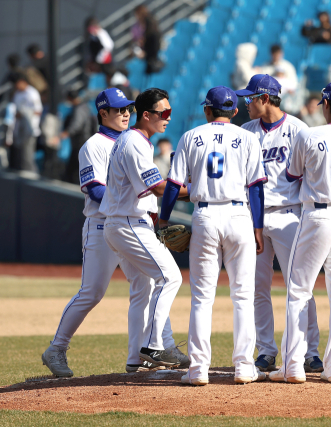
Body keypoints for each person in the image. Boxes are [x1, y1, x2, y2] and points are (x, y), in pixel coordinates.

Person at [41, 88, 187, 377]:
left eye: (127, 109)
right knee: (92, 292)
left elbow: (145, 192)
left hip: (131, 222)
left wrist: (156, 220)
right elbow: (94, 189)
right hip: (102, 225)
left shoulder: (131, 141)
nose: (123, 113)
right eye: (118, 109)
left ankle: (140, 356)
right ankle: (56, 348)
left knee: (145, 288)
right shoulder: (93, 146)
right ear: (102, 113)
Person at [159, 86, 267, 386]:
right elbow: (256, 187)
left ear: (207, 110)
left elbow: (172, 184)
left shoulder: (190, 136)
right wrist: (258, 227)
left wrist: (163, 219)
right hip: (239, 216)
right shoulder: (248, 138)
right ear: (235, 111)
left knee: (201, 299)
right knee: (243, 296)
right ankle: (245, 366)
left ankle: (197, 370)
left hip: (205, 215)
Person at [268, 81, 331, 384]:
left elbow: (292, 174)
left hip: (318, 214)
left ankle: (293, 366)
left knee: (299, 291)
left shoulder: (309, 134)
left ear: (325, 105)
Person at [234, 74, 323, 374]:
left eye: (250, 98)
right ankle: (267, 350)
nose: (246, 103)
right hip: (252, 217)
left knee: (299, 286)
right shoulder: (245, 132)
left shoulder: (299, 130)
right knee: (257, 286)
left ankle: (310, 352)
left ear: (265, 99)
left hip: (289, 214)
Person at [100, 88, 190, 368]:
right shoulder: (135, 142)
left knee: (145, 288)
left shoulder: (134, 140)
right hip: (128, 223)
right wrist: (200, 190)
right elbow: (158, 187)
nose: (167, 118)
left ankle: (134, 360)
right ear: (146, 114)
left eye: (170, 113)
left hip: (123, 223)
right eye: (163, 113)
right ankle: (153, 346)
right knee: (171, 277)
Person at [61, 90, 97, 184]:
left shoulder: (79, 109)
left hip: (81, 140)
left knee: (75, 165)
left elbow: (77, 124)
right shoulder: (86, 106)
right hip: (84, 140)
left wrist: (67, 132)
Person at [10, 73, 42, 173]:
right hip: (19, 128)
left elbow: (38, 110)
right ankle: (22, 172)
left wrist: (25, 112)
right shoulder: (17, 94)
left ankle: (31, 173)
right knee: (19, 152)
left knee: (27, 154)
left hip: (30, 128)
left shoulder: (32, 92)